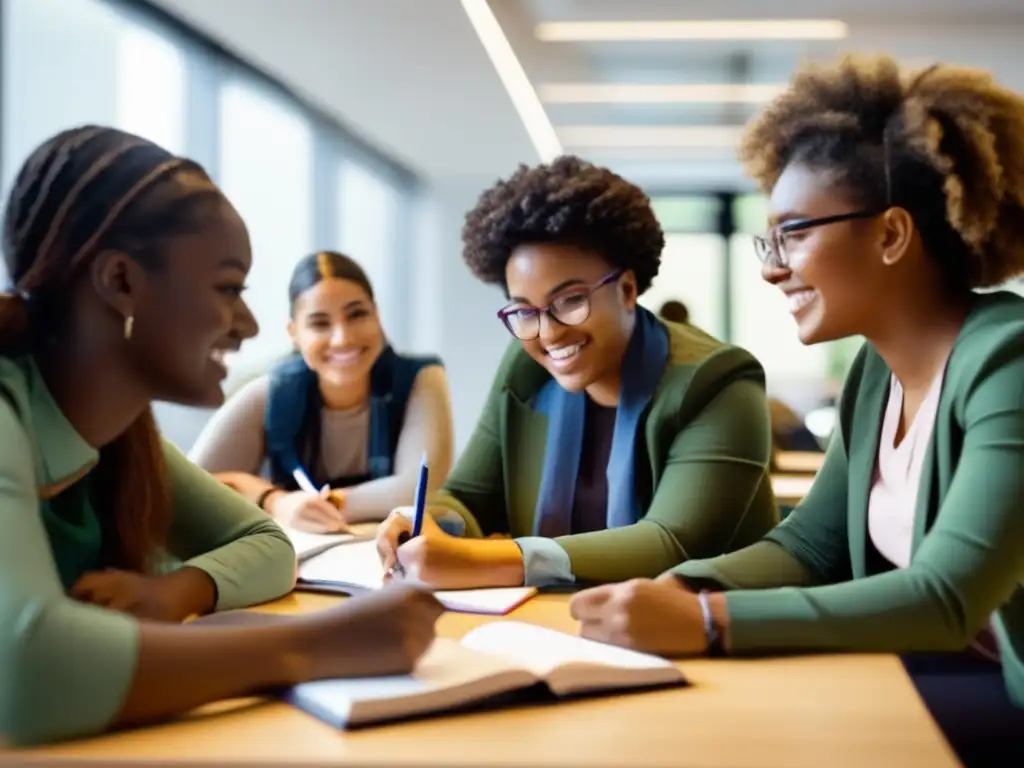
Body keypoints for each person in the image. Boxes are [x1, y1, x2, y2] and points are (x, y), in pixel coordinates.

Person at [567, 54, 1024, 767]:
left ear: (892, 234)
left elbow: (945, 599)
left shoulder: (1009, 364)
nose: (772, 266)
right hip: (946, 671)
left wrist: (708, 620)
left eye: (795, 233)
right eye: (770, 237)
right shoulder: (877, 369)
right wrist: (686, 584)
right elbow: (812, 546)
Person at [0, 126, 442, 747]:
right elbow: (25, 673)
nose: (249, 322)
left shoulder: (120, 433)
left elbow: (267, 545)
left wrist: (173, 592)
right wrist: (319, 645)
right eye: (227, 287)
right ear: (121, 282)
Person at [375, 155, 778, 589]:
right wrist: (421, 523)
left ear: (626, 290)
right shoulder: (526, 368)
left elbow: (670, 543)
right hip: (563, 620)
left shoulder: (719, 380)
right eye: (525, 311)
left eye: (569, 301)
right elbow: (470, 499)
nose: (547, 332)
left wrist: (474, 559)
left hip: (705, 632)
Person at [189, 251, 453, 532]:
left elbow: (417, 488)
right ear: (294, 334)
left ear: (377, 316)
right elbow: (189, 485)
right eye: (319, 323)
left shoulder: (420, 380)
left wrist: (324, 504)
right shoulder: (271, 394)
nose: (342, 339)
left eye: (357, 315)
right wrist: (274, 500)